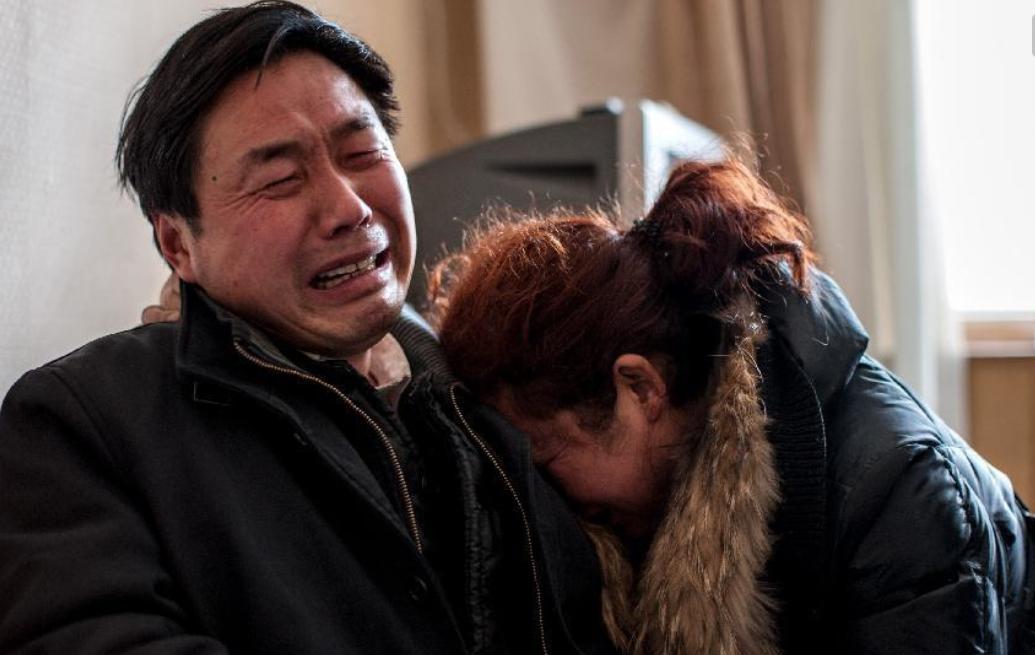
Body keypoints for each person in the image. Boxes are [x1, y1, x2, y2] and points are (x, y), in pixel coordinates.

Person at [0, 3, 615, 653]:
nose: (349, 208)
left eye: (362, 152)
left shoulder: (484, 409)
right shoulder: (83, 425)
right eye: (280, 180)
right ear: (179, 245)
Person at [427, 157, 1035, 654]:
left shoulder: (901, 494)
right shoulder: (656, 487)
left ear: (639, 388)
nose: (547, 493)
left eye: (546, 458)